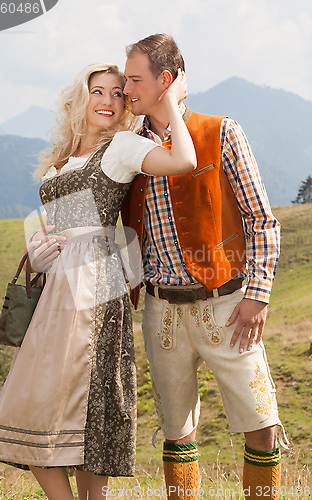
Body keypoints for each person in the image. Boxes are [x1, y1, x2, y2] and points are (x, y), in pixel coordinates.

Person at [0, 63, 196, 500]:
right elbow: (55, 223)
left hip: (92, 284)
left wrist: (171, 101)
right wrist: (39, 250)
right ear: (80, 98)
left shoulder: (120, 147)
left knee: (87, 404)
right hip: (51, 286)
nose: (106, 100)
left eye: (118, 93)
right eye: (97, 91)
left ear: (125, 103)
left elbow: (183, 160)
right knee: (34, 400)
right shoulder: (59, 161)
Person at [122, 34, 289, 500]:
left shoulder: (221, 131)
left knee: (261, 424)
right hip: (161, 311)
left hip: (228, 305)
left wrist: (257, 296)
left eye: (135, 79)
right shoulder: (127, 149)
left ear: (165, 81)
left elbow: (263, 221)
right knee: (177, 432)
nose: (126, 88)